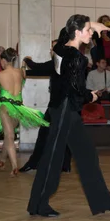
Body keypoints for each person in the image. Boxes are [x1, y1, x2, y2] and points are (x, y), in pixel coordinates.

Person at [27, 16, 110, 218]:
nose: (91, 34)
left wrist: (97, 25)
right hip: (65, 109)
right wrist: (89, 96)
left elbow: (68, 33)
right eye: (88, 30)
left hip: (64, 110)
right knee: (53, 157)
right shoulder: (77, 58)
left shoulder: (60, 49)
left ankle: (103, 202)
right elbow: (75, 88)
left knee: (87, 155)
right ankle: (39, 204)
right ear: (77, 33)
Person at [0, 49, 49, 177]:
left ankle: (14, 167)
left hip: (5, 107)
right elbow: (24, 72)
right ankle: (3, 160)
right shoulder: (20, 72)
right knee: (9, 136)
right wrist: (24, 63)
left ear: (3, 61)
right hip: (19, 108)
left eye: (1, 61)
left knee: (9, 136)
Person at [19, 38, 71, 173]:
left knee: (45, 134)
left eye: (54, 48)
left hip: (59, 106)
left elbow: (37, 67)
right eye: (52, 48)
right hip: (61, 105)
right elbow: (39, 71)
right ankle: (64, 165)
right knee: (62, 135)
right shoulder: (61, 64)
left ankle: (34, 162)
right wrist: (24, 72)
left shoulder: (58, 63)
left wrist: (26, 60)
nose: (51, 50)